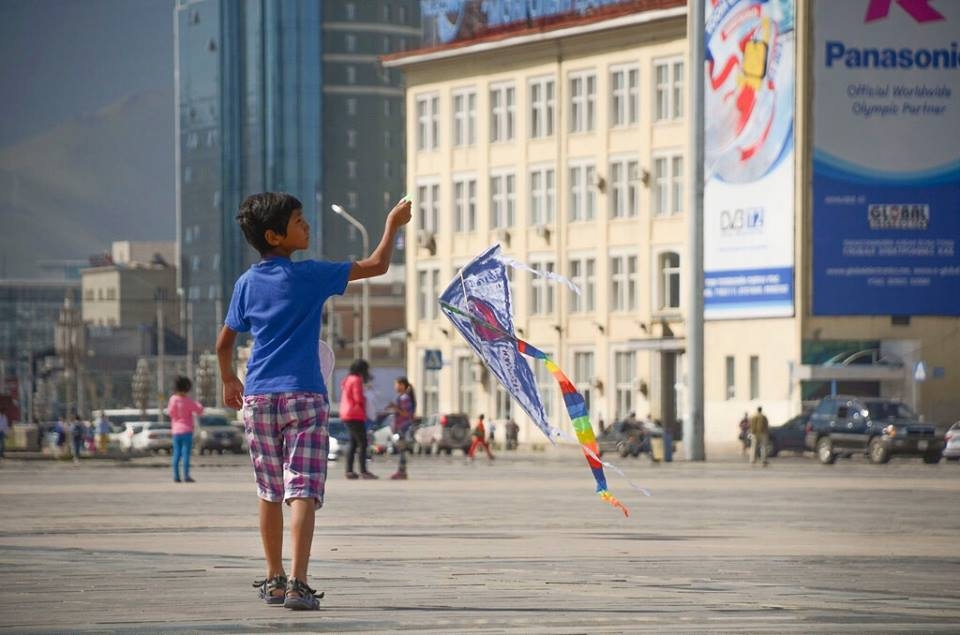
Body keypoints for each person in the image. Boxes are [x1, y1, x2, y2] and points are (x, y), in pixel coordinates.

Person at [216, 191, 410, 610]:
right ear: (275, 234)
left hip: (259, 396)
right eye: (299, 221)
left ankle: (273, 579)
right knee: (302, 490)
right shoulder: (312, 275)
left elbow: (223, 342)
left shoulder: (246, 283)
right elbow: (377, 264)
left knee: (269, 491)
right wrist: (393, 223)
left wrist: (230, 378)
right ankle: (299, 584)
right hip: (304, 395)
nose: (306, 225)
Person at [340, 359, 377, 480]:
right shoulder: (356, 380)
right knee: (363, 442)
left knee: (353, 443)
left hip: (346, 413)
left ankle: (349, 471)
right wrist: (366, 400)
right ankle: (363, 471)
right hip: (355, 414)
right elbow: (358, 398)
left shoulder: (348, 379)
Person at [169, 375, 203, 483]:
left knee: (176, 454)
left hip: (176, 431)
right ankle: (186, 476)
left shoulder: (173, 399)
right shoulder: (188, 401)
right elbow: (199, 410)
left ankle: (176, 476)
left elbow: (170, 412)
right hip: (187, 431)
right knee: (186, 454)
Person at [386, 376, 415, 480]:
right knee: (400, 450)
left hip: (404, 427)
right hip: (400, 427)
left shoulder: (405, 398)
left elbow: (405, 413)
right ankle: (401, 471)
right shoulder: (400, 397)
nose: (395, 387)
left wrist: (395, 407)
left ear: (402, 385)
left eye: (396, 384)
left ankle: (402, 471)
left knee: (402, 451)